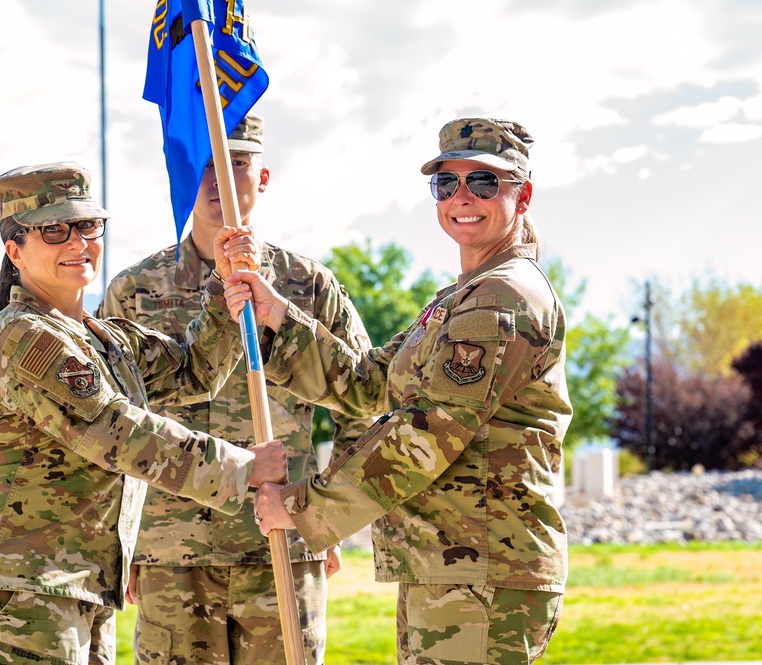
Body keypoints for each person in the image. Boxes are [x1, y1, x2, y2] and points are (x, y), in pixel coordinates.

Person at [224, 118, 572, 665]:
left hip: (482, 568)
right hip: (453, 561)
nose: (462, 197)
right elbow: (370, 386)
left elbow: (429, 434)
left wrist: (302, 505)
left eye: (483, 182)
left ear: (521, 194)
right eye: (446, 183)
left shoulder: (499, 299)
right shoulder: (461, 298)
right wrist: (276, 317)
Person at [0, 162, 288, 665]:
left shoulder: (103, 339)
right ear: (14, 250)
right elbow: (119, 432)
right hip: (14, 592)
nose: (77, 242)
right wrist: (244, 468)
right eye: (53, 230)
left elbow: (196, 371)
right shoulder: (23, 337)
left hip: (74, 588)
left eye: (86, 226)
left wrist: (223, 286)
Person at [97, 113, 374, 664]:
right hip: (171, 551)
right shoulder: (135, 290)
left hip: (281, 544)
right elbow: (110, 424)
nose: (218, 177)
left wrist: (329, 512)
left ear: (263, 177)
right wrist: (120, 539)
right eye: (202, 163)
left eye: (237, 162)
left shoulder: (307, 285)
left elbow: (363, 401)